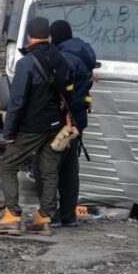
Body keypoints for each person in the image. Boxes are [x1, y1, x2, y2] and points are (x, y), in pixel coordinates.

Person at [0, 17, 71, 237]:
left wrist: (9, 132)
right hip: (55, 125)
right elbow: (68, 89)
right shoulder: (60, 58)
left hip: (32, 126)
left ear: (29, 36)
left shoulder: (26, 63)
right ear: (49, 36)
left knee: (7, 166)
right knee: (49, 171)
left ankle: (12, 217)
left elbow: (17, 101)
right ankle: (44, 219)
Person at [50, 20, 96, 228]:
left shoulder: (65, 58)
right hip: (78, 119)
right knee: (70, 168)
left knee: (49, 167)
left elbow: (62, 88)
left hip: (63, 120)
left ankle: (51, 215)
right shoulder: (84, 54)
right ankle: (69, 214)